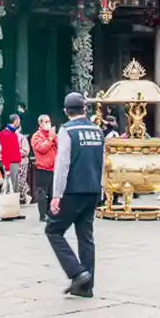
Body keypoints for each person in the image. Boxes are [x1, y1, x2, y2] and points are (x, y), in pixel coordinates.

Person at [49, 92, 105, 298]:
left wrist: (56, 195)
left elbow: (62, 164)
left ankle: (78, 272)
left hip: (73, 190)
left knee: (53, 230)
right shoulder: (97, 131)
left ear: (66, 111)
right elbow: (103, 161)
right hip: (92, 189)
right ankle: (86, 287)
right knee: (86, 237)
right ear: (85, 109)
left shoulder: (67, 130)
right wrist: (103, 188)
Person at [30, 114, 58, 223]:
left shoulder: (52, 135)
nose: (48, 124)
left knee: (52, 192)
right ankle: (43, 215)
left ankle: (51, 213)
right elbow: (42, 148)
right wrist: (50, 138)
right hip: (42, 168)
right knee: (42, 193)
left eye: (49, 121)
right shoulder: (37, 136)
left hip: (53, 168)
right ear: (40, 123)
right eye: (45, 122)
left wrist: (54, 137)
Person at [0, 114, 26, 203]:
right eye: (18, 120)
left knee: (15, 185)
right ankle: (12, 206)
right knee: (12, 187)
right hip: (11, 163)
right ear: (16, 121)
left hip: (15, 162)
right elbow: (4, 152)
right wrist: (7, 167)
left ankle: (14, 206)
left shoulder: (11, 133)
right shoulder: (5, 134)